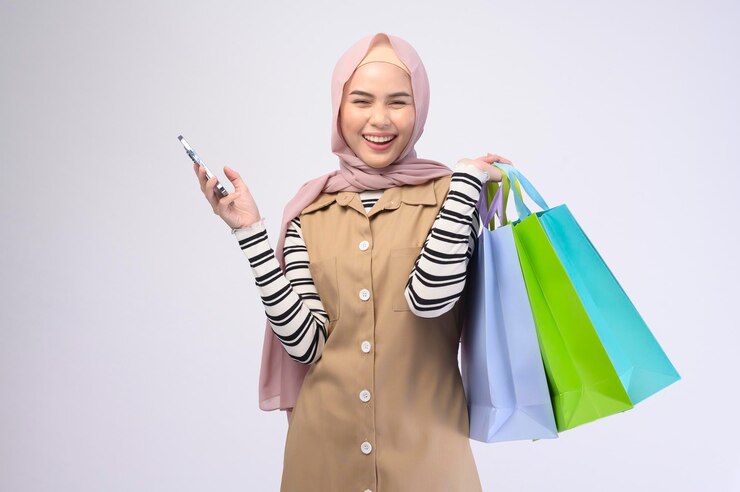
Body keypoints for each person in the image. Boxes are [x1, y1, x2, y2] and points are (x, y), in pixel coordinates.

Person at [194, 32, 513, 492]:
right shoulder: (309, 211)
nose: (379, 119)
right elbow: (307, 343)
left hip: (430, 466)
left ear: (419, 108)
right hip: (322, 463)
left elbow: (429, 299)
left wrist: (465, 182)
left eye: (398, 102)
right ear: (338, 108)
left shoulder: (453, 197)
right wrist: (250, 234)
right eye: (361, 100)